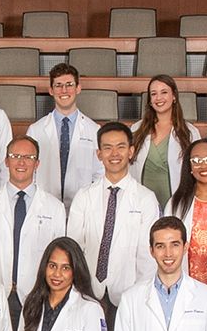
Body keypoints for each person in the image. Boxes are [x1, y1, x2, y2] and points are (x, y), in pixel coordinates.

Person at [66, 121, 161, 308]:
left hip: (129, 293)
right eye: (107, 148)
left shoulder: (145, 199)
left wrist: (140, 297)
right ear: (99, 154)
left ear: (131, 151)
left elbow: (147, 255)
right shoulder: (84, 196)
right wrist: (79, 289)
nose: (114, 154)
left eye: (121, 147)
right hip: (88, 291)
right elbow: (74, 248)